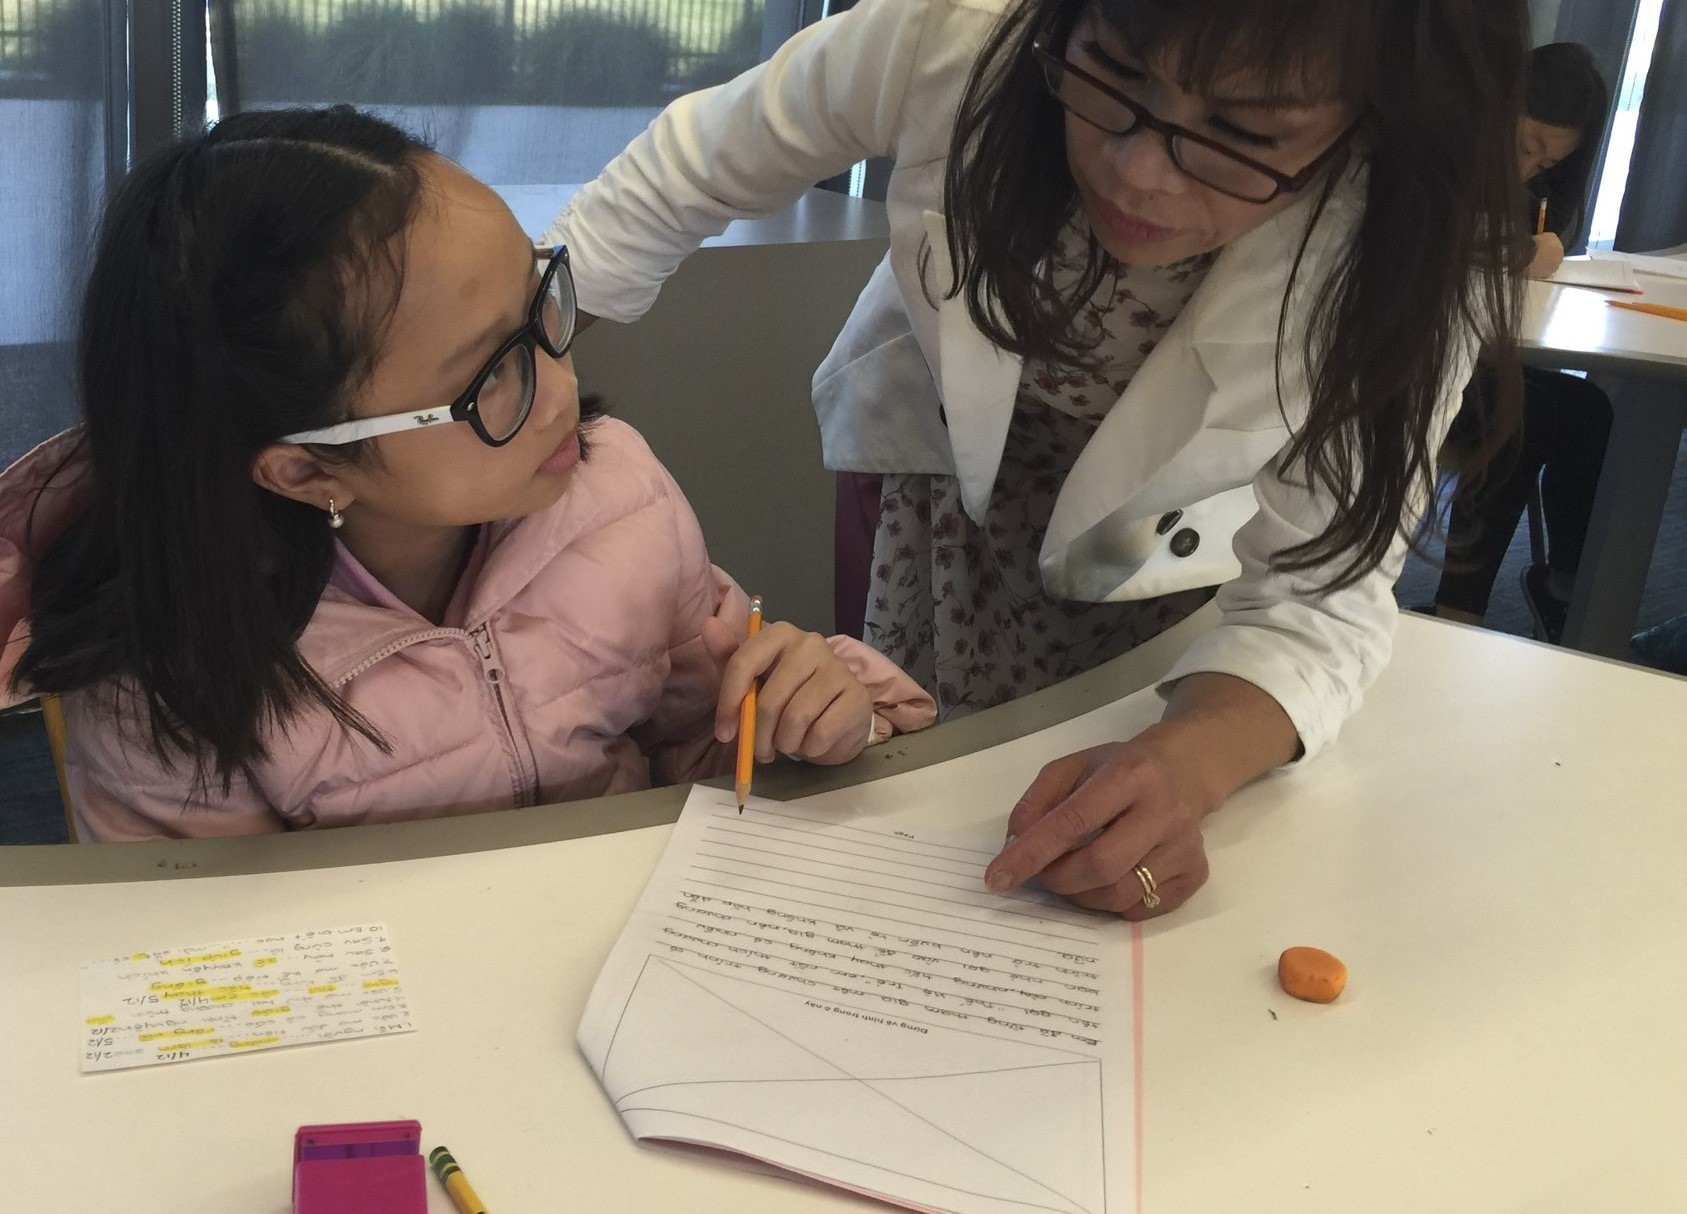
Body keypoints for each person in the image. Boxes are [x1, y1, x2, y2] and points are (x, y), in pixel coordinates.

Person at [550, 0, 1532, 917]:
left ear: (1371, 123)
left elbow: (1315, 602)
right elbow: (675, 180)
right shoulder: (964, 36)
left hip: (1159, 554)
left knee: (1077, 791)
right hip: (937, 487)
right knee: (904, 794)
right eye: (1112, 73)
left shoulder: (1398, 266)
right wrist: (491, 379)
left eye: (1243, 132)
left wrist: (1185, 763)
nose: (1138, 169)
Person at [0, 107, 935, 842]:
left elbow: (697, 744)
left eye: (543, 307)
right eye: (495, 376)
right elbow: (217, 959)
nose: (563, 388)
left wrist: (808, 715)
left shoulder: (615, 497)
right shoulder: (172, 666)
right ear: (303, 470)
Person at [1429, 42, 1612, 643]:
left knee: (1589, 412)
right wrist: (1522, 251)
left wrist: (1544, 244)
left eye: (1552, 161)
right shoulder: (1437, 144)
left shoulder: (1540, 181)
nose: (1532, 168)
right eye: (1527, 146)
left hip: (1473, 345)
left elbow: (1534, 245)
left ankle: (1561, 588)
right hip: (1402, 356)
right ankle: (1459, 617)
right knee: (1518, 414)